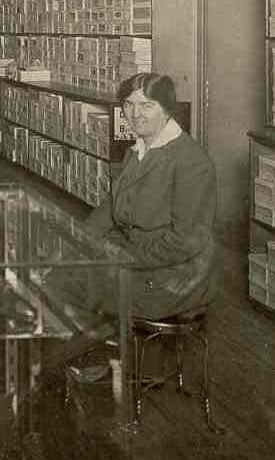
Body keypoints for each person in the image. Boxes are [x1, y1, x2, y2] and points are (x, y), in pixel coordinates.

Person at [84, 72, 219, 320]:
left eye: (146, 105)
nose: (135, 114)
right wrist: (79, 239)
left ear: (167, 111)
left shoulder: (191, 161)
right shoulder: (139, 149)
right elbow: (112, 204)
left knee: (72, 290)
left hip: (172, 277)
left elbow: (185, 242)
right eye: (129, 104)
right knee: (59, 276)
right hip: (141, 258)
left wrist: (120, 256)